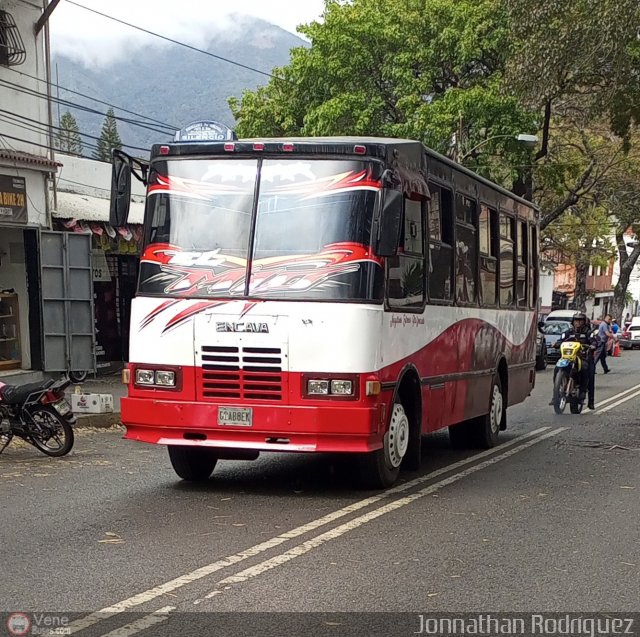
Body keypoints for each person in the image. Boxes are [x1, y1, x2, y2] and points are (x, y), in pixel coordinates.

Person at [549, 311, 599, 410]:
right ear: (573, 321)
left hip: (584, 357)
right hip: (568, 357)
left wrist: (592, 346)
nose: (578, 322)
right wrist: (556, 344)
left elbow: (594, 341)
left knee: (588, 372)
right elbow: (561, 340)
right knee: (557, 368)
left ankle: (589, 400)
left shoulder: (588, 332)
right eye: (576, 320)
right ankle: (556, 395)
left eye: (580, 320)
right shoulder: (568, 332)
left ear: (584, 322)